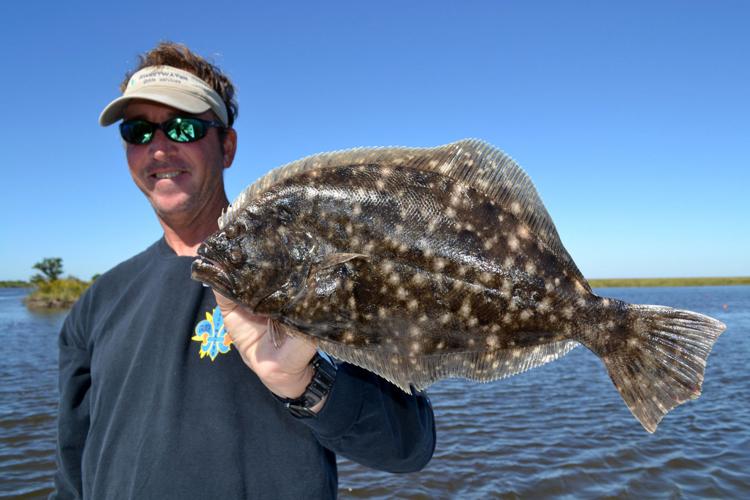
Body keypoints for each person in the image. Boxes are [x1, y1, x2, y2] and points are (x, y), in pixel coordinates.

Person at [52, 42, 435, 499]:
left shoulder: (311, 268)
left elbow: (409, 445)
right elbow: (71, 472)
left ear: (227, 146)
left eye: (182, 126)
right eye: (138, 131)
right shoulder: (95, 304)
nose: (158, 148)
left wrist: (305, 382)